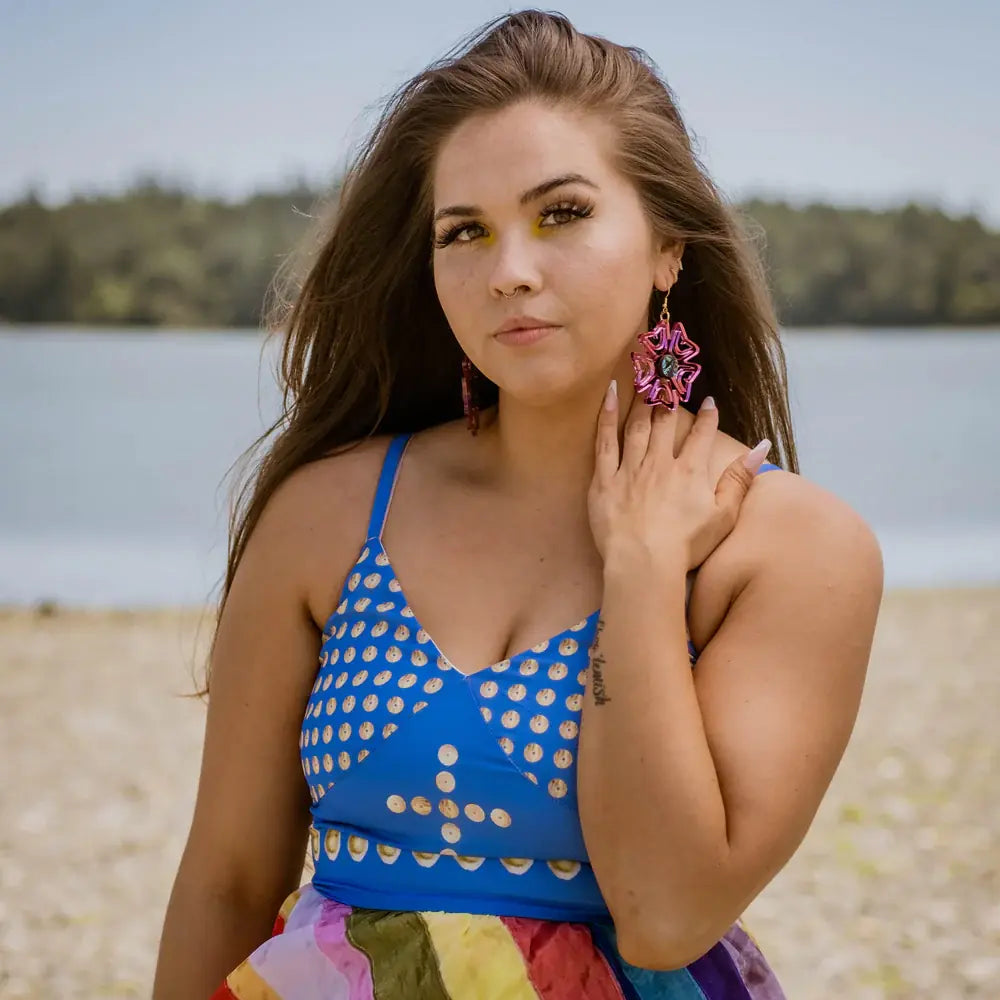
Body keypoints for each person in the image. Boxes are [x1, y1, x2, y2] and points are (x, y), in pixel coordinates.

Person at [153, 10, 883, 999]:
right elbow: (228, 882)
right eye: (465, 231)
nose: (510, 272)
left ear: (668, 246)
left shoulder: (791, 546)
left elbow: (667, 915)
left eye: (563, 213)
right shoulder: (327, 514)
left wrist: (640, 568)